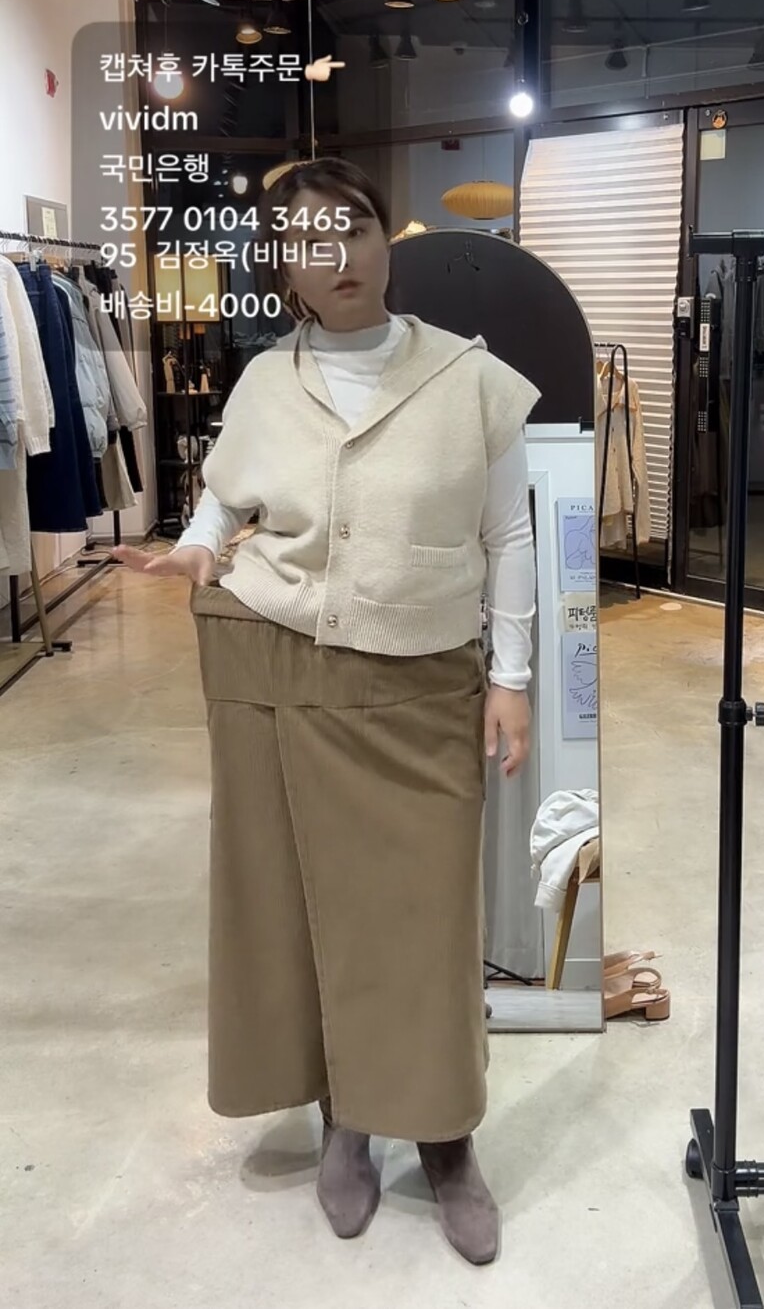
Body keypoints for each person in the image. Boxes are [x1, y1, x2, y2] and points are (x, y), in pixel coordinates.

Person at [114, 157, 541, 1266]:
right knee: (304, 909)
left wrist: (511, 678)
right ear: (284, 269)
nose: (335, 253)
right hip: (281, 665)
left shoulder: (471, 379)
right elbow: (224, 498)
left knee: (426, 918)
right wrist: (196, 547)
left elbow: (509, 534)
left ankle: (444, 1135)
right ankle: (344, 1118)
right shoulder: (266, 381)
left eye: (350, 227)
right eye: (305, 240)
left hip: (422, 678)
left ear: (384, 239)